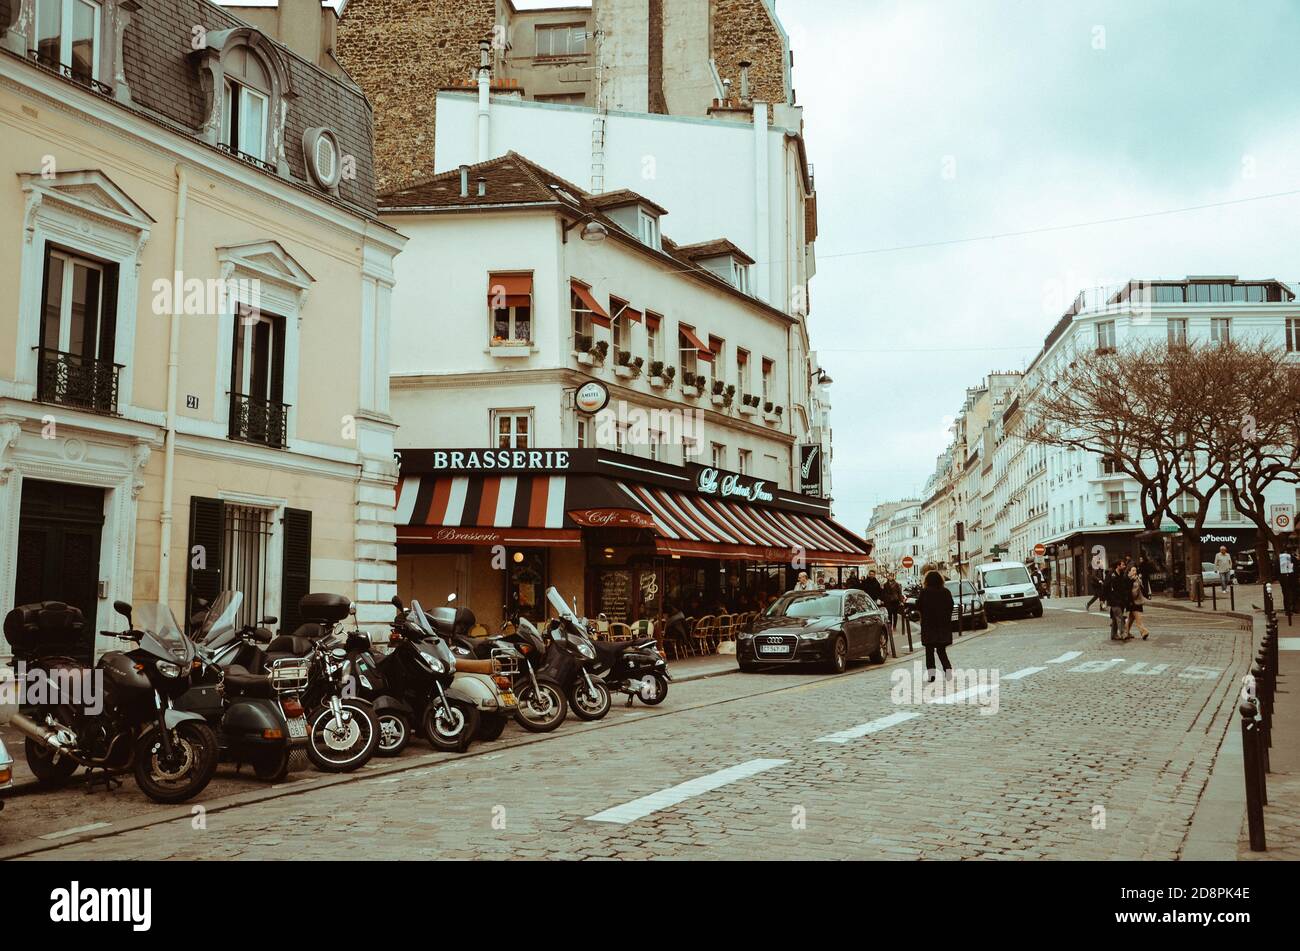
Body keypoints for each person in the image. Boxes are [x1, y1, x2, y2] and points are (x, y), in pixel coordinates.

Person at [917, 570, 955, 681]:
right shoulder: (946, 592)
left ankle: (931, 675)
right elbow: (951, 606)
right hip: (942, 625)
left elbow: (919, 606)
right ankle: (948, 670)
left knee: (929, 652)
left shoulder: (924, 592)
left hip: (929, 625)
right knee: (941, 650)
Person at [1104, 564, 1132, 640]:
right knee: (1119, 616)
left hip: (1121, 600)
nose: (1124, 566)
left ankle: (1113, 634)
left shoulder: (1122, 575)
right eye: (1123, 565)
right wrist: (1106, 599)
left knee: (1114, 618)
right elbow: (1105, 587)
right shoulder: (1111, 575)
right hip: (1114, 600)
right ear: (1118, 566)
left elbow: (1125, 587)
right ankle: (1123, 633)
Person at [1127, 566, 1150, 640]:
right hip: (1134, 602)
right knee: (1138, 618)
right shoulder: (1130, 580)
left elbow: (1142, 589)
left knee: (1131, 618)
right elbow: (1133, 593)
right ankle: (1144, 632)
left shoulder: (1137, 579)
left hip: (1137, 601)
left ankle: (1125, 632)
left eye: (1135, 570)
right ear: (1129, 572)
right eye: (1133, 570)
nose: (1135, 572)